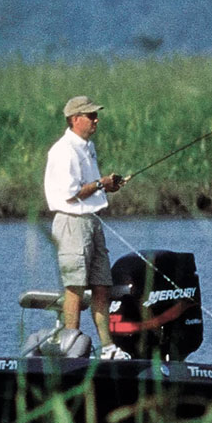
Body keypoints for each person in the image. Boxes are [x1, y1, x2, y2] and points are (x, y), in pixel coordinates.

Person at [43, 95, 130, 359]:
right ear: (74, 119)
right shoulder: (63, 151)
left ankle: (107, 348)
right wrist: (101, 183)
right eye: (91, 116)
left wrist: (107, 185)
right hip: (71, 223)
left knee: (102, 286)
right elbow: (70, 194)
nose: (96, 120)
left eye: (95, 115)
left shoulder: (86, 146)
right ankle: (72, 348)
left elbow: (89, 187)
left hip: (91, 221)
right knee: (75, 288)